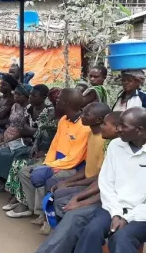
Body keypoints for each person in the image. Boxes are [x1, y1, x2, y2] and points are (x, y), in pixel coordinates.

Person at [36, 110, 121, 253]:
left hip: (113, 203)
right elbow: (103, 180)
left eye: (105, 124)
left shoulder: (108, 144)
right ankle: (62, 238)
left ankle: (63, 240)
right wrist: (74, 192)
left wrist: (80, 200)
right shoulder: (113, 146)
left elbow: (105, 183)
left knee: (72, 211)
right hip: (102, 194)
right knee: (62, 200)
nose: (102, 127)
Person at [63, 108, 146, 253]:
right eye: (118, 124)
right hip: (112, 206)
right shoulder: (115, 145)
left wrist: (127, 217)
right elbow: (107, 183)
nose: (118, 129)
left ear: (139, 130)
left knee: (122, 238)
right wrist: (116, 213)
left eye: (124, 126)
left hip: (141, 214)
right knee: (92, 231)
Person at [7, 89, 89, 233]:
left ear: (66, 103)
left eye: (59, 100)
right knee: (25, 173)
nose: (55, 101)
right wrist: (47, 163)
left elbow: (75, 158)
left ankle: (47, 216)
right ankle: (38, 210)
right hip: (56, 160)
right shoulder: (64, 119)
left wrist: (51, 167)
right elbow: (55, 145)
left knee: (46, 176)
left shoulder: (84, 126)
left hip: (72, 166)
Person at [49, 102, 111, 216]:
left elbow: (97, 177)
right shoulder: (91, 135)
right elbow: (88, 167)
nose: (82, 115)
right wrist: (67, 182)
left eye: (86, 114)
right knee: (57, 187)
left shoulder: (104, 143)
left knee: (60, 196)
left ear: (98, 120)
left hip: (94, 185)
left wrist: (69, 184)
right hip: (88, 180)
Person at [3, 84, 57, 212]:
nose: (30, 97)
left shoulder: (50, 112)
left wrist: (31, 131)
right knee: (16, 162)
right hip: (33, 144)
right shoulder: (29, 108)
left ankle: (24, 203)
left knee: (21, 165)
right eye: (31, 94)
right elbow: (24, 129)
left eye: (34, 95)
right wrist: (32, 131)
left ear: (44, 97)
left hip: (44, 150)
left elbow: (41, 133)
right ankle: (17, 197)